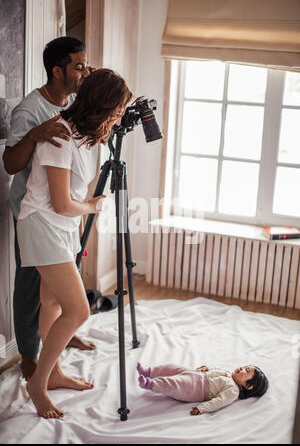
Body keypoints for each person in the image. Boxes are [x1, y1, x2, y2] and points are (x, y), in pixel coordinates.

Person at [16, 68, 133, 419]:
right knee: (79, 309)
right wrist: (93, 207)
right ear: (101, 106)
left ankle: (53, 375)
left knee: (51, 302)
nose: (117, 119)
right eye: (115, 112)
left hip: (61, 227)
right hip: (42, 225)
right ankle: (37, 382)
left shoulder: (84, 137)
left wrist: (84, 207)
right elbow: (62, 201)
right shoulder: (61, 136)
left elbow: (73, 196)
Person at [3, 36, 97, 381]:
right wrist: (34, 135)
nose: (84, 71)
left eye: (86, 64)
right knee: (29, 285)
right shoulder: (29, 111)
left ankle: (61, 335)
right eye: (78, 65)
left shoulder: (73, 100)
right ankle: (30, 356)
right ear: (57, 71)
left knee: (59, 286)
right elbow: (11, 163)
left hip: (62, 212)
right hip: (34, 212)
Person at [137, 362, 269, 415]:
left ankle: (150, 384)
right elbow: (215, 371)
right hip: (197, 375)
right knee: (172, 368)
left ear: (248, 386)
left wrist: (202, 408)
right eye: (245, 366)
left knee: (174, 383)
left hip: (197, 388)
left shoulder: (233, 391)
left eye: (246, 371)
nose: (242, 368)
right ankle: (149, 371)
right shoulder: (230, 374)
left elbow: (219, 402)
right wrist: (207, 369)